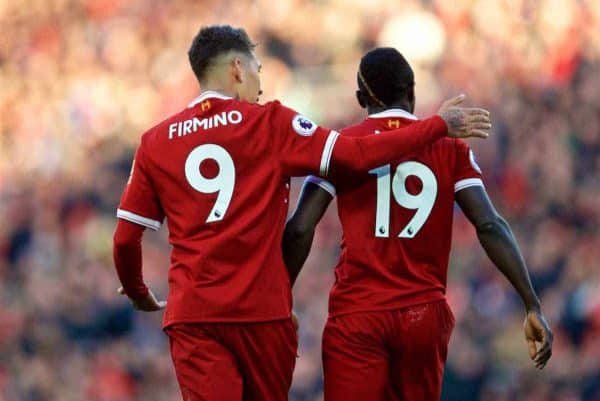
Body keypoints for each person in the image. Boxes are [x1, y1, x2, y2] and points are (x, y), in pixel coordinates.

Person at [112, 26, 491, 401]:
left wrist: (137, 290)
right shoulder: (271, 122)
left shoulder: (155, 141)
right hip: (262, 315)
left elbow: (126, 239)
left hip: (194, 316)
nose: (260, 86)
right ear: (238, 69)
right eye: (258, 69)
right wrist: (437, 126)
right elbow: (355, 156)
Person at [282, 47, 552, 401]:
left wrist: (281, 298)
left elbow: (301, 227)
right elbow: (489, 225)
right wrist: (531, 302)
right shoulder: (449, 148)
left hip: (358, 314)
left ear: (360, 97)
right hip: (421, 316)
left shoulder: (341, 147)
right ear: (412, 92)